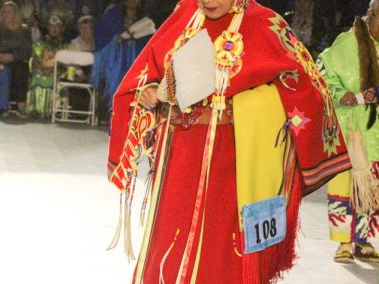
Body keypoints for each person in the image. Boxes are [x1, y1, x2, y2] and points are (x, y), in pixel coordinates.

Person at [107, 0, 351, 283]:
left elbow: (311, 89)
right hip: (180, 158)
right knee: (169, 236)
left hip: (234, 162)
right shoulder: (185, 14)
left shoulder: (266, 24)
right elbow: (145, 76)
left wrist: (247, 108)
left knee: (222, 248)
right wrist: (151, 91)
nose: (208, 1)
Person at [317, 0, 379, 264]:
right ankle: (344, 242)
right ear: (370, 14)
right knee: (343, 187)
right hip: (348, 129)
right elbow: (323, 72)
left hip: (375, 133)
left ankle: (364, 241)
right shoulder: (345, 43)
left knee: (372, 189)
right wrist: (342, 94)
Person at [0, 1, 32, 116]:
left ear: (16, 14)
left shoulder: (24, 30)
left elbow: (27, 51)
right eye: (4, 11)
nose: (6, 14)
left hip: (15, 59)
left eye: (9, 12)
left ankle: (21, 105)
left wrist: (13, 56)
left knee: (21, 68)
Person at [27, 15, 67, 118]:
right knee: (38, 77)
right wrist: (42, 69)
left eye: (57, 26)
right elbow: (35, 59)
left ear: (62, 28)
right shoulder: (40, 43)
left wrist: (53, 70)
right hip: (41, 70)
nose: (54, 29)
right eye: (52, 26)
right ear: (48, 27)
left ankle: (55, 110)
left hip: (57, 71)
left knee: (58, 80)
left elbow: (65, 63)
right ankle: (35, 109)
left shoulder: (66, 45)